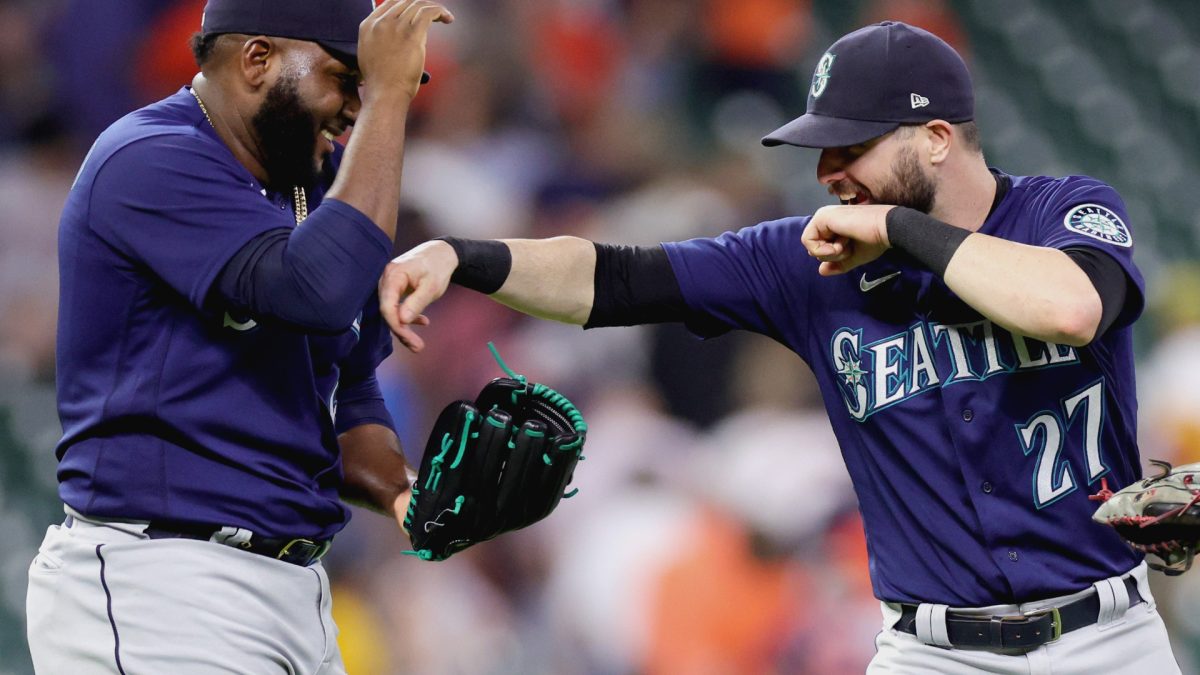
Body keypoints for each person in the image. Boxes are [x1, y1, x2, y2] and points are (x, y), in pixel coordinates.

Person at [380, 21, 1182, 674]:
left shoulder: (1062, 212)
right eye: (822, 150)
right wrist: (463, 256)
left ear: (937, 136)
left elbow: (1072, 308)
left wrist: (901, 229)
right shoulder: (808, 261)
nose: (829, 172)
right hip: (935, 653)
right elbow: (616, 278)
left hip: (1105, 639)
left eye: (852, 146)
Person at [28, 0, 452, 672]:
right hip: (162, 585)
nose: (354, 108)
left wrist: (407, 491)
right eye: (345, 78)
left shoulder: (311, 186)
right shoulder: (149, 158)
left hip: (297, 591)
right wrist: (391, 97)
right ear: (257, 60)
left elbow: (350, 387)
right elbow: (312, 289)